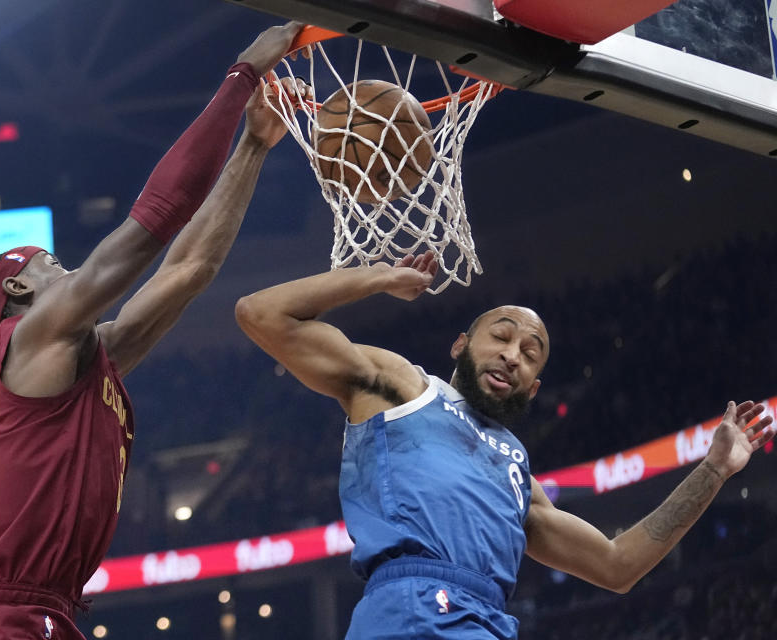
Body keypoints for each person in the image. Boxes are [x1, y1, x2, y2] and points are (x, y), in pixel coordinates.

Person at [0, 22, 306, 640]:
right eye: (49, 262)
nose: (68, 266)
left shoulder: (81, 360)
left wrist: (253, 148)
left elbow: (188, 269)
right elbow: (151, 226)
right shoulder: (28, 338)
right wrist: (241, 75)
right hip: (3, 617)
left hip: (45, 611)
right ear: (19, 290)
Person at [234, 251, 774, 640]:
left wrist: (714, 470)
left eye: (531, 352)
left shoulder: (514, 469)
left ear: (534, 387)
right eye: (502, 335)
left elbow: (616, 566)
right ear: (461, 345)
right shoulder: (400, 386)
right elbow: (261, 314)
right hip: (410, 610)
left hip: (490, 621)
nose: (514, 354)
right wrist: (376, 278)